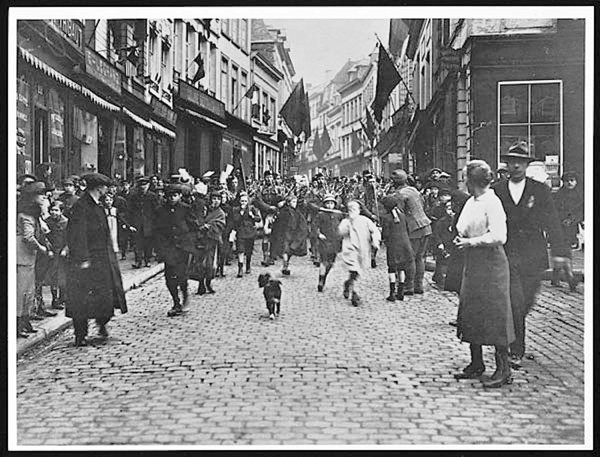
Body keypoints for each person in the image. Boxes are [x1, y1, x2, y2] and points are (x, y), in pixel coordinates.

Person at [492, 141, 571, 366]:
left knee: (526, 301)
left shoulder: (540, 190)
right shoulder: (497, 190)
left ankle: (513, 333)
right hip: (507, 252)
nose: (516, 166)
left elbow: (553, 221)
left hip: (533, 254)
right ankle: (516, 348)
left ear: (527, 165)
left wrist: (560, 252)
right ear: (506, 164)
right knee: (515, 302)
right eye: (512, 162)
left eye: (520, 162)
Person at [453, 160, 514, 388]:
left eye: (466, 179)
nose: (464, 183)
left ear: (473, 181)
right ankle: (476, 363)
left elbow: (500, 236)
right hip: (474, 261)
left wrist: (471, 242)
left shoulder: (492, 202)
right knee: (471, 309)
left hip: (492, 262)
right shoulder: (471, 201)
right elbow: (463, 226)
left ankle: (503, 369)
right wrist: (462, 239)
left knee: (496, 312)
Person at [66, 173, 127, 347]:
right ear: (98, 187)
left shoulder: (97, 206)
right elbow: (77, 235)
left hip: (101, 260)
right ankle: (80, 335)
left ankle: (102, 325)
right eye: (105, 187)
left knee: (104, 296)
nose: (107, 190)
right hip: (86, 260)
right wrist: (83, 259)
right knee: (82, 299)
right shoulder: (81, 207)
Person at [154, 184, 200, 316]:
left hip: (183, 248)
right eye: (169, 196)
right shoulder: (160, 210)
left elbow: (193, 227)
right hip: (168, 247)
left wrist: (191, 242)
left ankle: (185, 294)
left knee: (181, 275)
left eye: (175, 195)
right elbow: (157, 230)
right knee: (169, 277)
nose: (172, 198)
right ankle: (176, 302)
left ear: (180, 196)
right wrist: (160, 248)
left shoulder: (186, 209)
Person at [387, 169, 432, 295]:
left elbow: (399, 215)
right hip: (426, 226)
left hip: (414, 229)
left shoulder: (400, 194)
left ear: (395, 183)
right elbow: (423, 205)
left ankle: (408, 286)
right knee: (420, 257)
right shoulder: (414, 190)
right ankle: (419, 286)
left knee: (409, 258)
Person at [16, 182, 50, 337]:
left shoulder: (33, 214)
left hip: (28, 258)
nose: (44, 197)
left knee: (28, 290)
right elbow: (28, 237)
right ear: (32, 197)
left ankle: (25, 321)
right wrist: (41, 248)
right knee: (21, 291)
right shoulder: (26, 216)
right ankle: (18, 324)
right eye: (41, 195)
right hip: (23, 256)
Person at [338, 200, 381, 306]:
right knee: (355, 270)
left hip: (363, 250)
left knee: (358, 272)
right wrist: (349, 224)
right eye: (350, 209)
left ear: (359, 210)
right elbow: (341, 232)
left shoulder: (365, 220)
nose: (352, 211)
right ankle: (355, 294)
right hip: (350, 250)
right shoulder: (346, 222)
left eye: (354, 209)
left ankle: (348, 284)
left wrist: (375, 241)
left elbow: (375, 231)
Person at [380, 196, 414, 302]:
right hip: (405, 244)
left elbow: (385, 234)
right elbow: (407, 230)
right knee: (401, 268)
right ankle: (400, 292)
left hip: (394, 245)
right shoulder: (403, 216)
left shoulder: (386, 218)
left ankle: (392, 293)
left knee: (392, 268)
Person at [191, 191, 226, 295]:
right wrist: (200, 225)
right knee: (199, 263)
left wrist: (209, 226)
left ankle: (208, 282)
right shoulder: (204, 209)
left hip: (211, 241)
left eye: (218, 199)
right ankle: (201, 284)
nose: (216, 201)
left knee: (210, 264)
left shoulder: (220, 213)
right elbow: (196, 218)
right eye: (214, 199)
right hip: (200, 239)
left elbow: (220, 225)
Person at [128, 176, 158, 268]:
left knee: (148, 243)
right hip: (137, 223)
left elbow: (156, 210)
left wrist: (155, 222)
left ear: (148, 185)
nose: (142, 187)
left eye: (145, 185)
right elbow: (130, 210)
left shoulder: (152, 196)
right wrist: (131, 223)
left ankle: (147, 260)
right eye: (141, 185)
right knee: (137, 243)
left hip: (149, 223)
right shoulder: (134, 196)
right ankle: (138, 261)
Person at [44, 201, 69, 311]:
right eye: (52, 210)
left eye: (56, 210)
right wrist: (49, 250)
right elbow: (44, 237)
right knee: (53, 276)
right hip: (52, 253)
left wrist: (66, 249)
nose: (54, 212)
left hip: (63, 253)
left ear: (61, 211)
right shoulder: (47, 222)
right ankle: (55, 300)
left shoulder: (66, 222)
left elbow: (70, 238)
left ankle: (62, 297)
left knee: (63, 276)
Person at [230, 191, 262, 278]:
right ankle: (240, 268)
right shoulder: (236, 210)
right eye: (242, 201)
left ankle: (248, 265)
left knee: (249, 250)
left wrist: (252, 216)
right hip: (240, 232)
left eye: (245, 201)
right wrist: (240, 214)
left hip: (250, 232)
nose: (243, 203)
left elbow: (258, 219)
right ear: (239, 202)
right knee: (240, 250)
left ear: (248, 201)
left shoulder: (252, 208)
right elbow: (235, 220)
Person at [315, 193, 343, 292]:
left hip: (335, 241)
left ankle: (324, 276)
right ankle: (321, 281)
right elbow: (315, 226)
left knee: (331, 263)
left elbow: (342, 225)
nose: (330, 205)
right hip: (324, 241)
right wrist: (319, 234)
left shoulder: (338, 214)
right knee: (323, 261)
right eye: (328, 203)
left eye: (332, 203)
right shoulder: (321, 214)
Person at [278, 194, 309, 276]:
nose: (295, 203)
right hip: (286, 232)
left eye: (295, 202)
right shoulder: (285, 211)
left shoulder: (297, 212)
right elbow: (280, 221)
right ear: (288, 203)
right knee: (285, 249)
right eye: (293, 202)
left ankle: (286, 265)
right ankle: (285, 266)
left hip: (293, 233)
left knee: (290, 251)